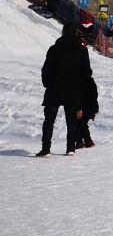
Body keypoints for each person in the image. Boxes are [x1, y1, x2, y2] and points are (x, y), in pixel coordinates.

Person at [39, 21, 93, 156]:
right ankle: (70, 148)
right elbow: (86, 73)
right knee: (72, 121)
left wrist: (47, 83)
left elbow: (46, 70)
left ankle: (46, 149)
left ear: (63, 32)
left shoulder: (54, 49)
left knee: (49, 121)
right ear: (76, 33)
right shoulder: (82, 50)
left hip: (54, 88)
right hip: (73, 89)